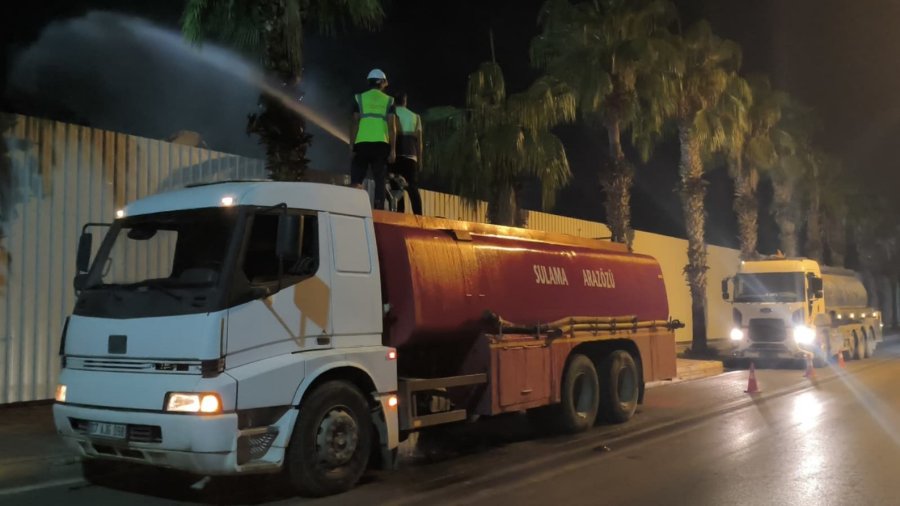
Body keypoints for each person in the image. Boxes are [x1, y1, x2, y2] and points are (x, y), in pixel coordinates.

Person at [350, 69, 396, 210]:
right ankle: (378, 209)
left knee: (357, 178)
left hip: (362, 143)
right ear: (382, 83)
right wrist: (393, 150)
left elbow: (354, 123)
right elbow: (392, 127)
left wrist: (351, 145)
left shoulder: (359, 98)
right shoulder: (389, 100)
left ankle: (353, 207)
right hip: (381, 145)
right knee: (379, 180)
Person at [390, 91, 424, 215]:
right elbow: (419, 142)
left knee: (396, 188)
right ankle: (419, 216)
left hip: (395, 156)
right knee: (412, 187)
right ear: (405, 102)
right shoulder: (415, 117)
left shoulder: (391, 114)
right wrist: (420, 160)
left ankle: (399, 214)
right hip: (411, 156)